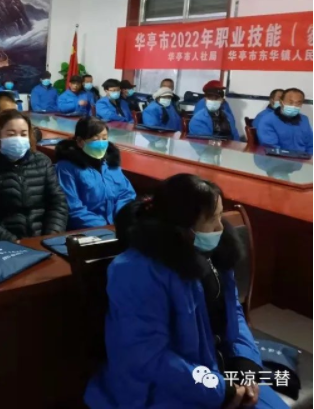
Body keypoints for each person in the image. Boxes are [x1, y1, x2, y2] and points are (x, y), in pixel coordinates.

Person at [84, 174, 288, 409]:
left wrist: (246, 362)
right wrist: (220, 389)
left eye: (220, 215)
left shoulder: (216, 253)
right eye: (212, 220)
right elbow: (148, 357)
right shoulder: (135, 271)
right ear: (182, 228)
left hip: (217, 369)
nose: (221, 228)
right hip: (163, 388)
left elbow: (234, 312)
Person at [0, 110, 68, 241]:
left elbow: (58, 202)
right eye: (11, 134)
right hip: (5, 242)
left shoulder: (42, 162)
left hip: (45, 239)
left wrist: (51, 235)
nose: (18, 139)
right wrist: (12, 241)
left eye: (23, 134)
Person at [55, 118, 135, 229]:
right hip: (87, 230)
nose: (101, 143)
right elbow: (73, 209)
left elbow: (126, 194)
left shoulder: (111, 163)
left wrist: (121, 219)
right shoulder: (66, 168)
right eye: (95, 139)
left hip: (116, 227)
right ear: (80, 141)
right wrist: (104, 227)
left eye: (104, 138)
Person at [257, 88, 313, 154]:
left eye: (298, 103)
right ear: (281, 102)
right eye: (290, 102)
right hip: (278, 159)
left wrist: (310, 157)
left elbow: (311, 145)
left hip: (303, 158)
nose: (294, 106)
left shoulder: (304, 120)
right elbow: (272, 149)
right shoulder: (267, 120)